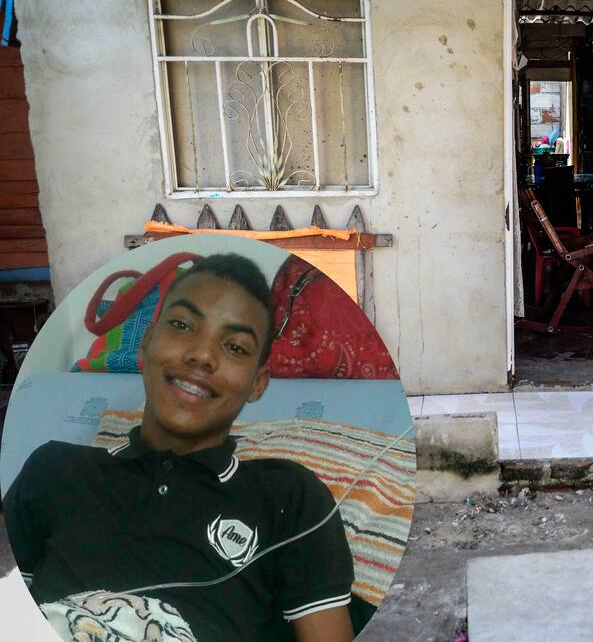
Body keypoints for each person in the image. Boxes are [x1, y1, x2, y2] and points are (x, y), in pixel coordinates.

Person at [3, 254, 355, 642]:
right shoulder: (55, 471)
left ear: (257, 383)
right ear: (146, 344)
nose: (201, 356)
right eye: (182, 325)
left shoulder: (290, 499)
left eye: (235, 347)